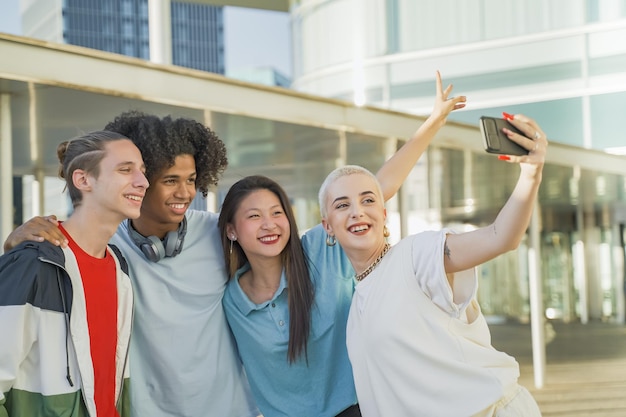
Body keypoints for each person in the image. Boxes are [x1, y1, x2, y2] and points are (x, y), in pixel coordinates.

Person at [217, 72, 466, 417]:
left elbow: (379, 188)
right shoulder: (231, 299)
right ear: (231, 230)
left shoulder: (320, 249)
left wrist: (433, 121)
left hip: (362, 407)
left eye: (277, 212)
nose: (270, 224)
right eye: (254, 216)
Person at [3, 112, 259, 417]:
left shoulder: (217, 235)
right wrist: (16, 247)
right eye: (169, 180)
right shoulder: (72, 256)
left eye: (191, 180)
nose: (185, 192)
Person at [318, 113, 546, 417]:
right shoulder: (357, 303)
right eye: (342, 205)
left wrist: (531, 174)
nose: (357, 212)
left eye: (369, 200)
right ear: (327, 226)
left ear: (384, 214)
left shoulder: (417, 255)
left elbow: (499, 237)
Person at [0, 131, 148, 416]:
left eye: (142, 171)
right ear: (83, 180)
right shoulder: (33, 264)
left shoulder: (119, 268)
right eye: (125, 170)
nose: (143, 181)